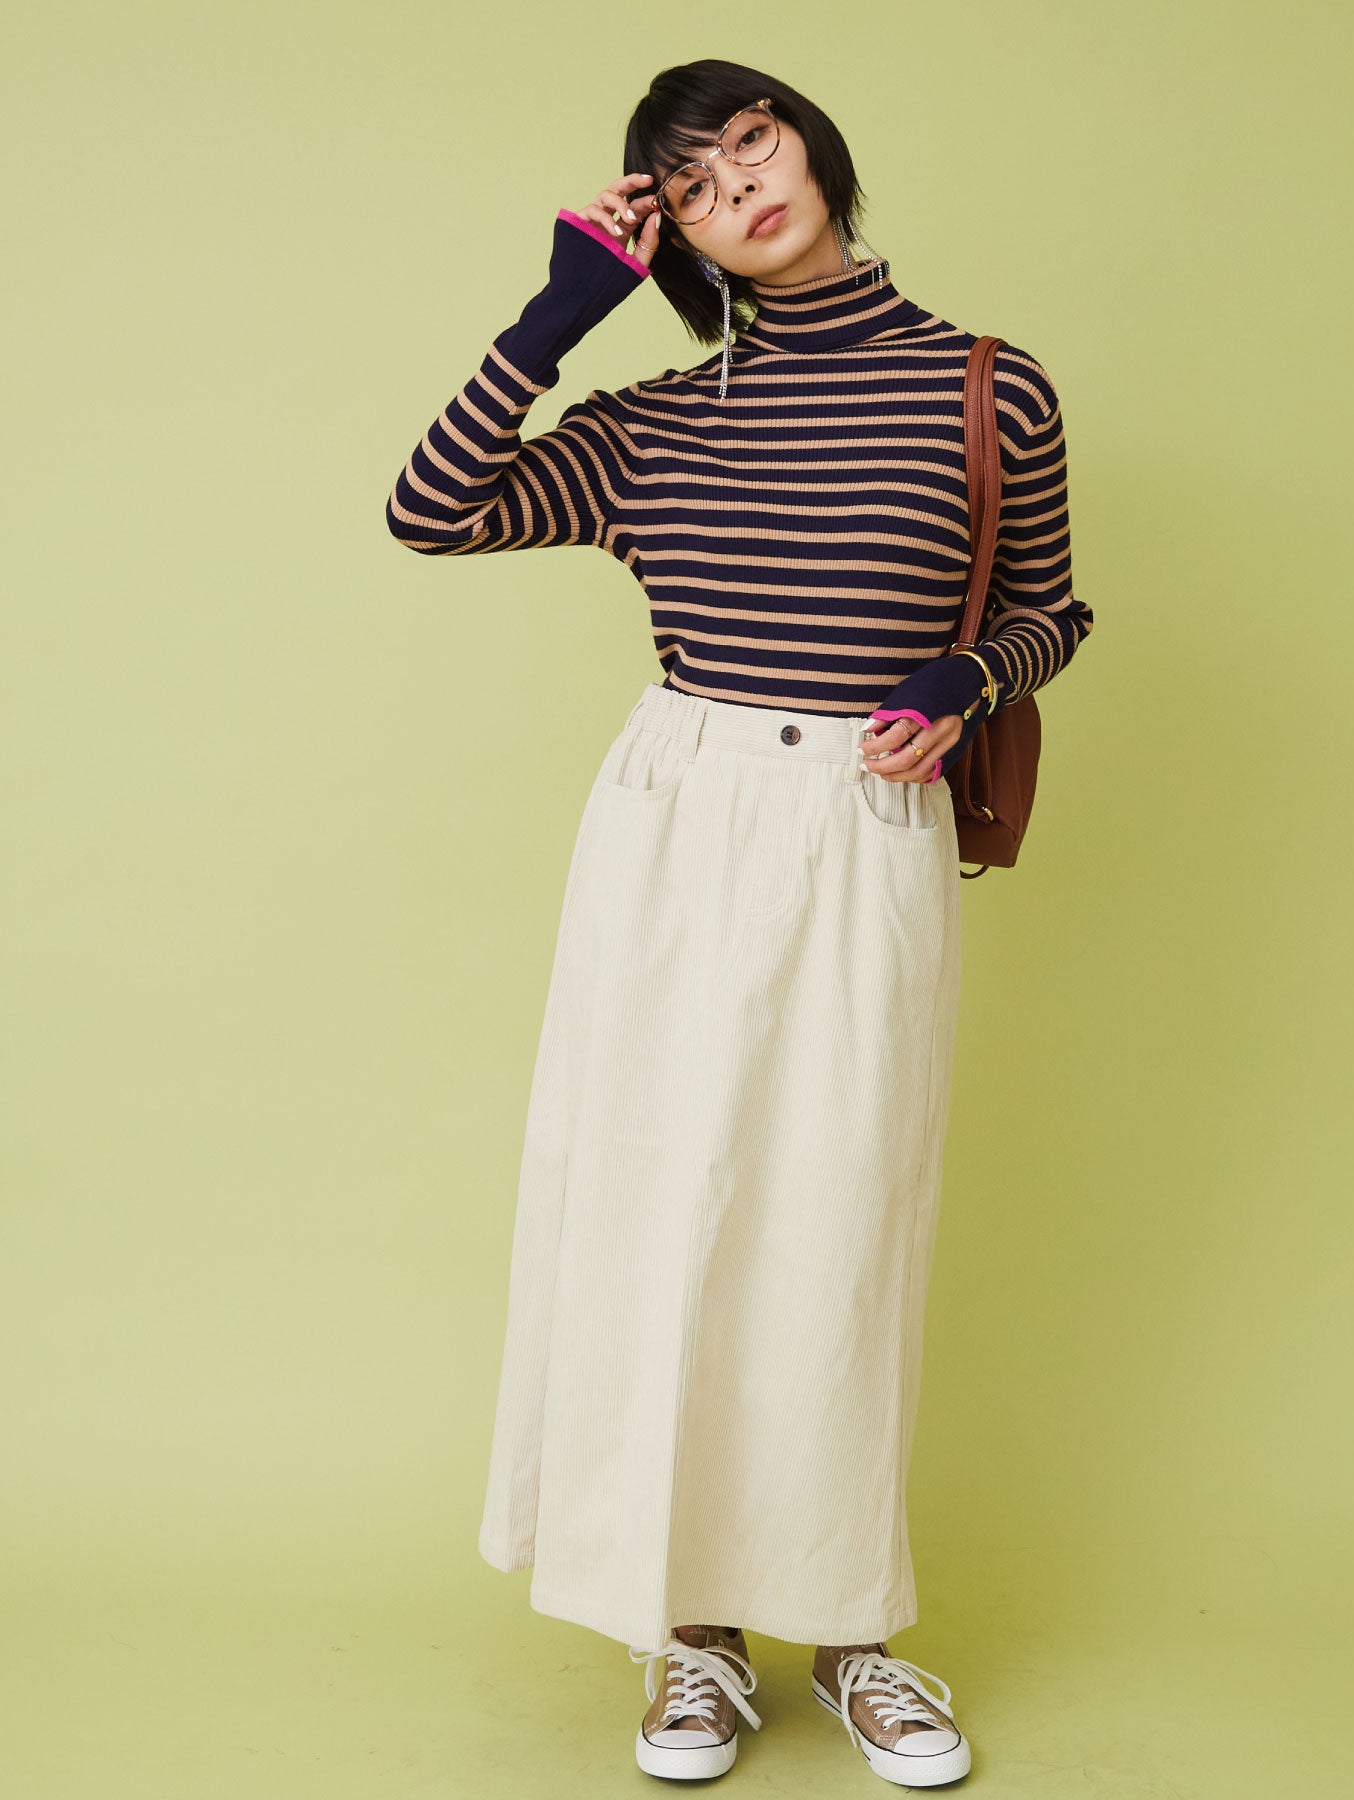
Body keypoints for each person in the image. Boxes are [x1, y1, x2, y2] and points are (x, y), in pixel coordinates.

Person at [385, 57, 1093, 1788]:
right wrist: (563, 308)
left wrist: (965, 679)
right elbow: (432, 510)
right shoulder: (652, 423)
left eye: (750, 143)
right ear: (675, 240)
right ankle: (688, 1638)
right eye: (689, 186)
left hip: (860, 821)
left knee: (840, 1225)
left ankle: (850, 1629)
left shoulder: (986, 388)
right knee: (656, 1217)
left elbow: (1051, 607)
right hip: (676, 817)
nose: (738, 188)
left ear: (813, 144)